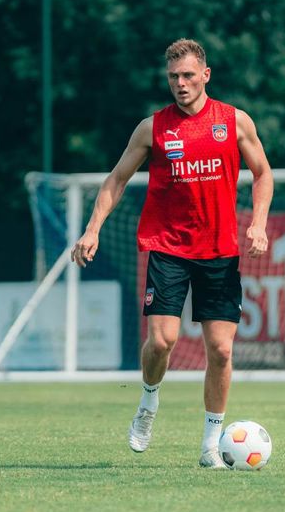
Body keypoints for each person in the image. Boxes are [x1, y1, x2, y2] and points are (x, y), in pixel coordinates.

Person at [71, 38, 273, 468]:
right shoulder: (153, 128)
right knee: (162, 341)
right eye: (172, 77)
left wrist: (258, 222)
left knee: (220, 350)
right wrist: (93, 230)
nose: (180, 84)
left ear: (205, 75)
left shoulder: (234, 122)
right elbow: (116, 179)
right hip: (168, 246)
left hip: (219, 250)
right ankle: (148, 402)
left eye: (187, 75)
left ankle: (210, 445)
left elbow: (262, 173)